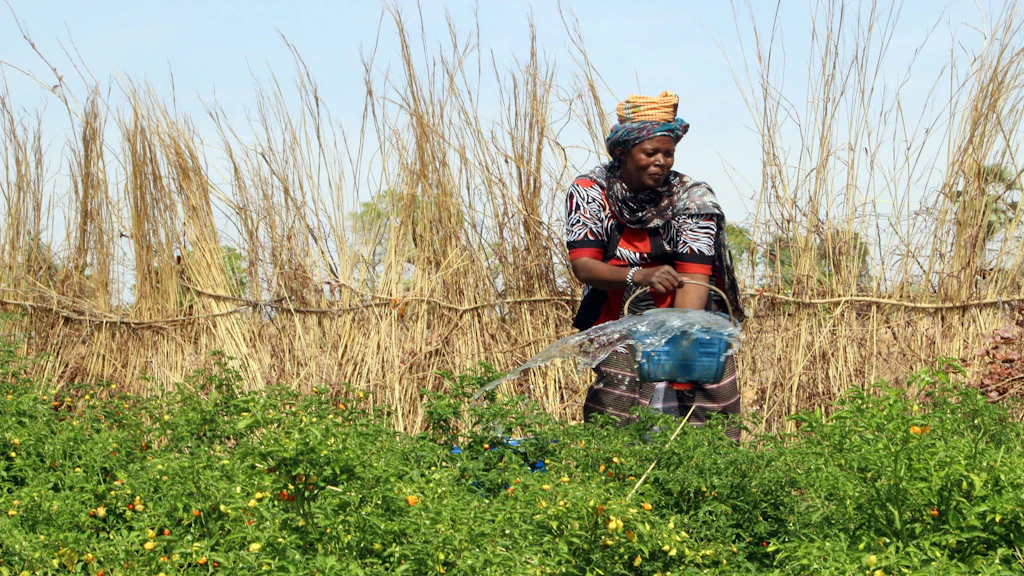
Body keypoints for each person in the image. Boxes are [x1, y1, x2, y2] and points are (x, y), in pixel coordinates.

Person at [565, 91, 746, 439]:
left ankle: (708, 483)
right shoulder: (591, 191)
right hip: (618, 311)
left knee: (704, 405)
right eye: (650, 153)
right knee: (616, 410)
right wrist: (639, 275)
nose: (661, 161)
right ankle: (612, 474)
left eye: (668, 153)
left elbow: (694, 278)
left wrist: (679, 346)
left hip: (687, 310)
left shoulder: (692, 198)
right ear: (622, 153)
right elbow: (585, 267)